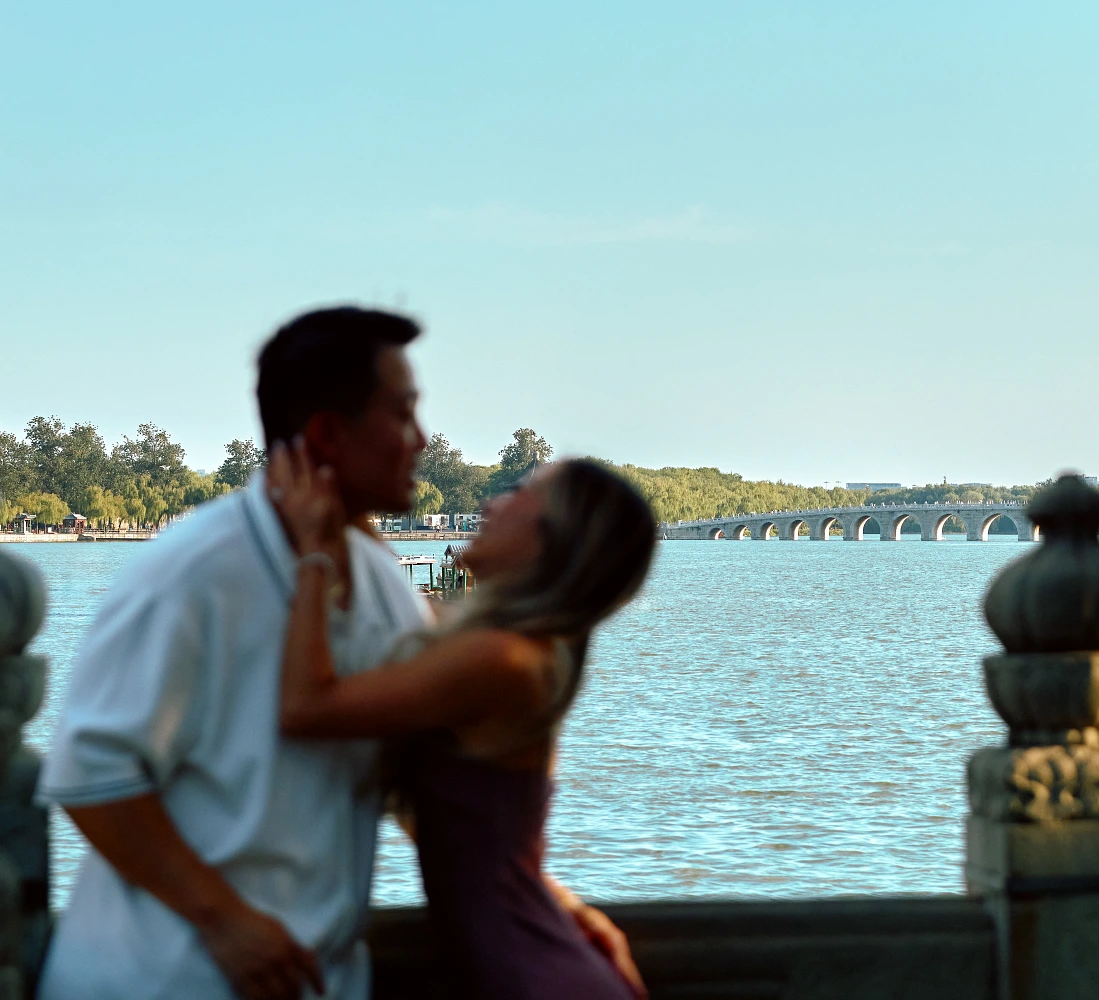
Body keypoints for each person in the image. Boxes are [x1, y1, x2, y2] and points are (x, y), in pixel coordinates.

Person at [39, 307, 456, 1000]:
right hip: (162, 979)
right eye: (403, 414)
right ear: (326, 432)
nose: (421, 440)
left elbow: (412, 782)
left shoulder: (384, 583)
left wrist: (533, 895)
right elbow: (89, 773)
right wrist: (224, 919)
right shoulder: (192, 572)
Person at [269, 445, 655, 999]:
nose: (493, 502)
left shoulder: (503, 660)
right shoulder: (508, 652)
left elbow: (304, 708)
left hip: (536, 980)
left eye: (520, 492)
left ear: (549, 538)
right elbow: (492, 843)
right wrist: (565, 906)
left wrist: (312, 556)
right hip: (534, 964)